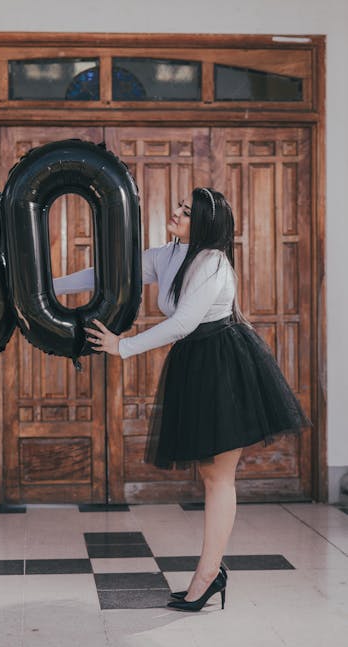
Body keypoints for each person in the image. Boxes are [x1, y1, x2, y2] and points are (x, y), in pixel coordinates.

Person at [53, 187, 311, 612]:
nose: (176, 213)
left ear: (205, 223)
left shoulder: (212, 264)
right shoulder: (168, 254)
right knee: (209, 476)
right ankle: (211, 572)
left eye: (186, 212)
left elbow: (183, 322)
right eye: (179, 207)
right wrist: (43, 286)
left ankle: (208, 576)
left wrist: (124, 346)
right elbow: (110, 273)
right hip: (196, 364)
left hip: (227, 367)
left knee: (218, 477)